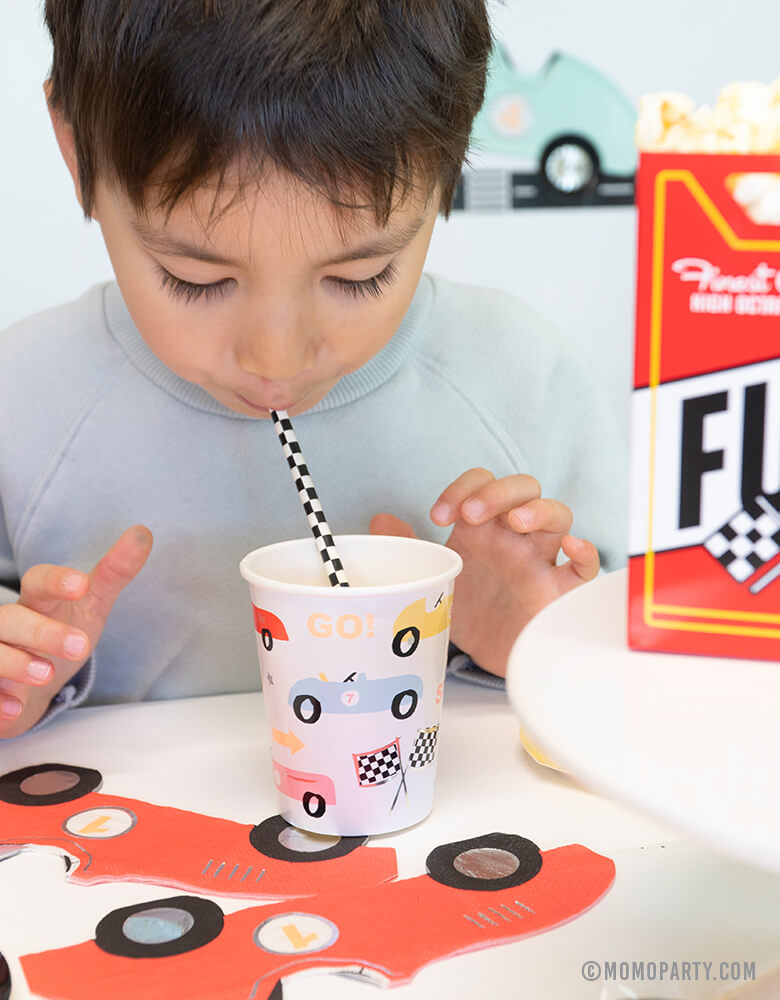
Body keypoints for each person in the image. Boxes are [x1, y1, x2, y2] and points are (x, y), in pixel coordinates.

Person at [0, 0, 626, 739]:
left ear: (449, 162)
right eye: (195, 280)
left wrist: (527, 646)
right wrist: (22, 680)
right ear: (76, 148)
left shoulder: (525, 382)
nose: (277, 359)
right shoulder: (21, 401)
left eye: (359, 277)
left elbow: (640, 687)